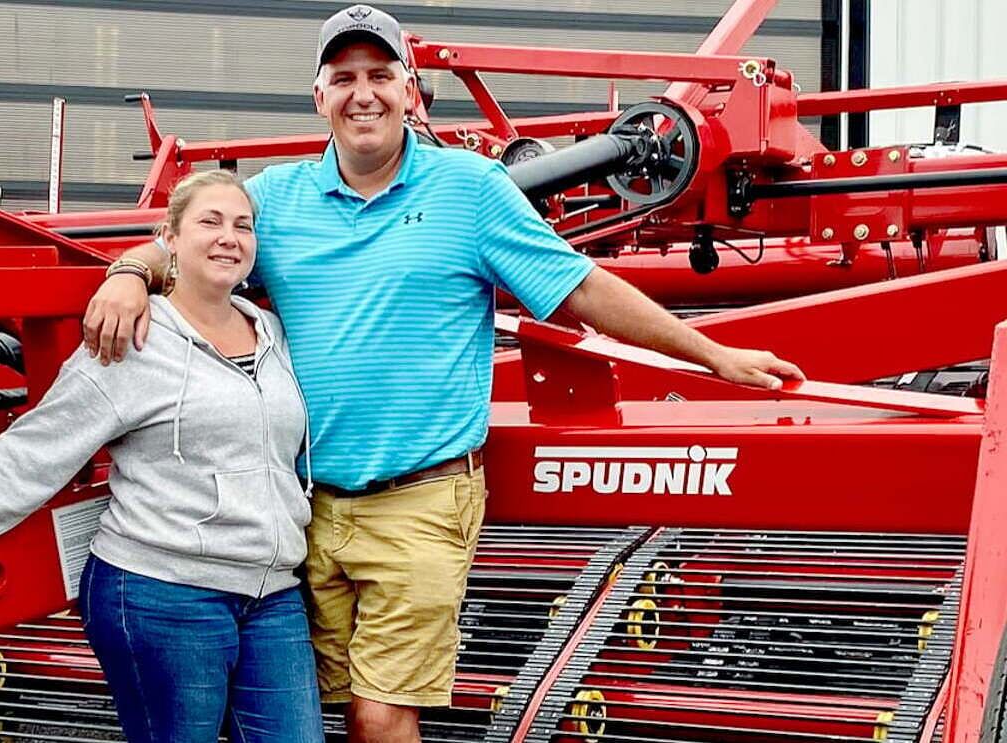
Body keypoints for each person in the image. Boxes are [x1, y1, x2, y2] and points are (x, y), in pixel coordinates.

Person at [82, 6, 805, 741]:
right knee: (299, 714)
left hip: (420, 497)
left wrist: (713, 355)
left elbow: (579, 285)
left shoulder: (470, 189)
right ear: (319, 97)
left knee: (379, 715)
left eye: (380, 76)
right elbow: (190, 246)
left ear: (411, 89)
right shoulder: (275, 201)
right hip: (304, 508)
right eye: (344, 79)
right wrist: (127, 275)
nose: (363, 94)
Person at [0, 171, 326, 743]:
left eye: (243, 226)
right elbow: (40, 444)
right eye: (209, 222)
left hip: (271, 595)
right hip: (166, 592)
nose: (228, 238)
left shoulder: (270, 332)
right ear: (170, 236)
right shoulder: (136, 339)